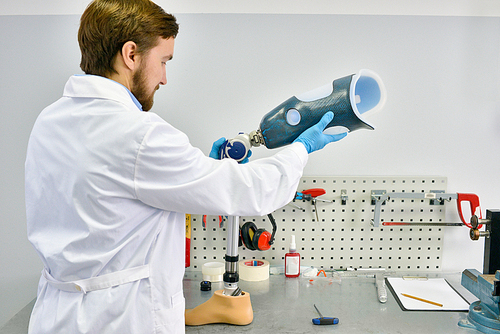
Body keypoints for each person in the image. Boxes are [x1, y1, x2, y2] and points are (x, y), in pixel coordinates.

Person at [24, 0, 346, 333]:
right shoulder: (139, 134)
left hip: (56, 315)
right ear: (130, 54)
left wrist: (201, 169)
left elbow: (110, 202)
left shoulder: (50, 121)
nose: (164, 78)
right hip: (121, 317)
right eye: (163, 61)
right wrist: (301, 149)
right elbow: (251, 191)